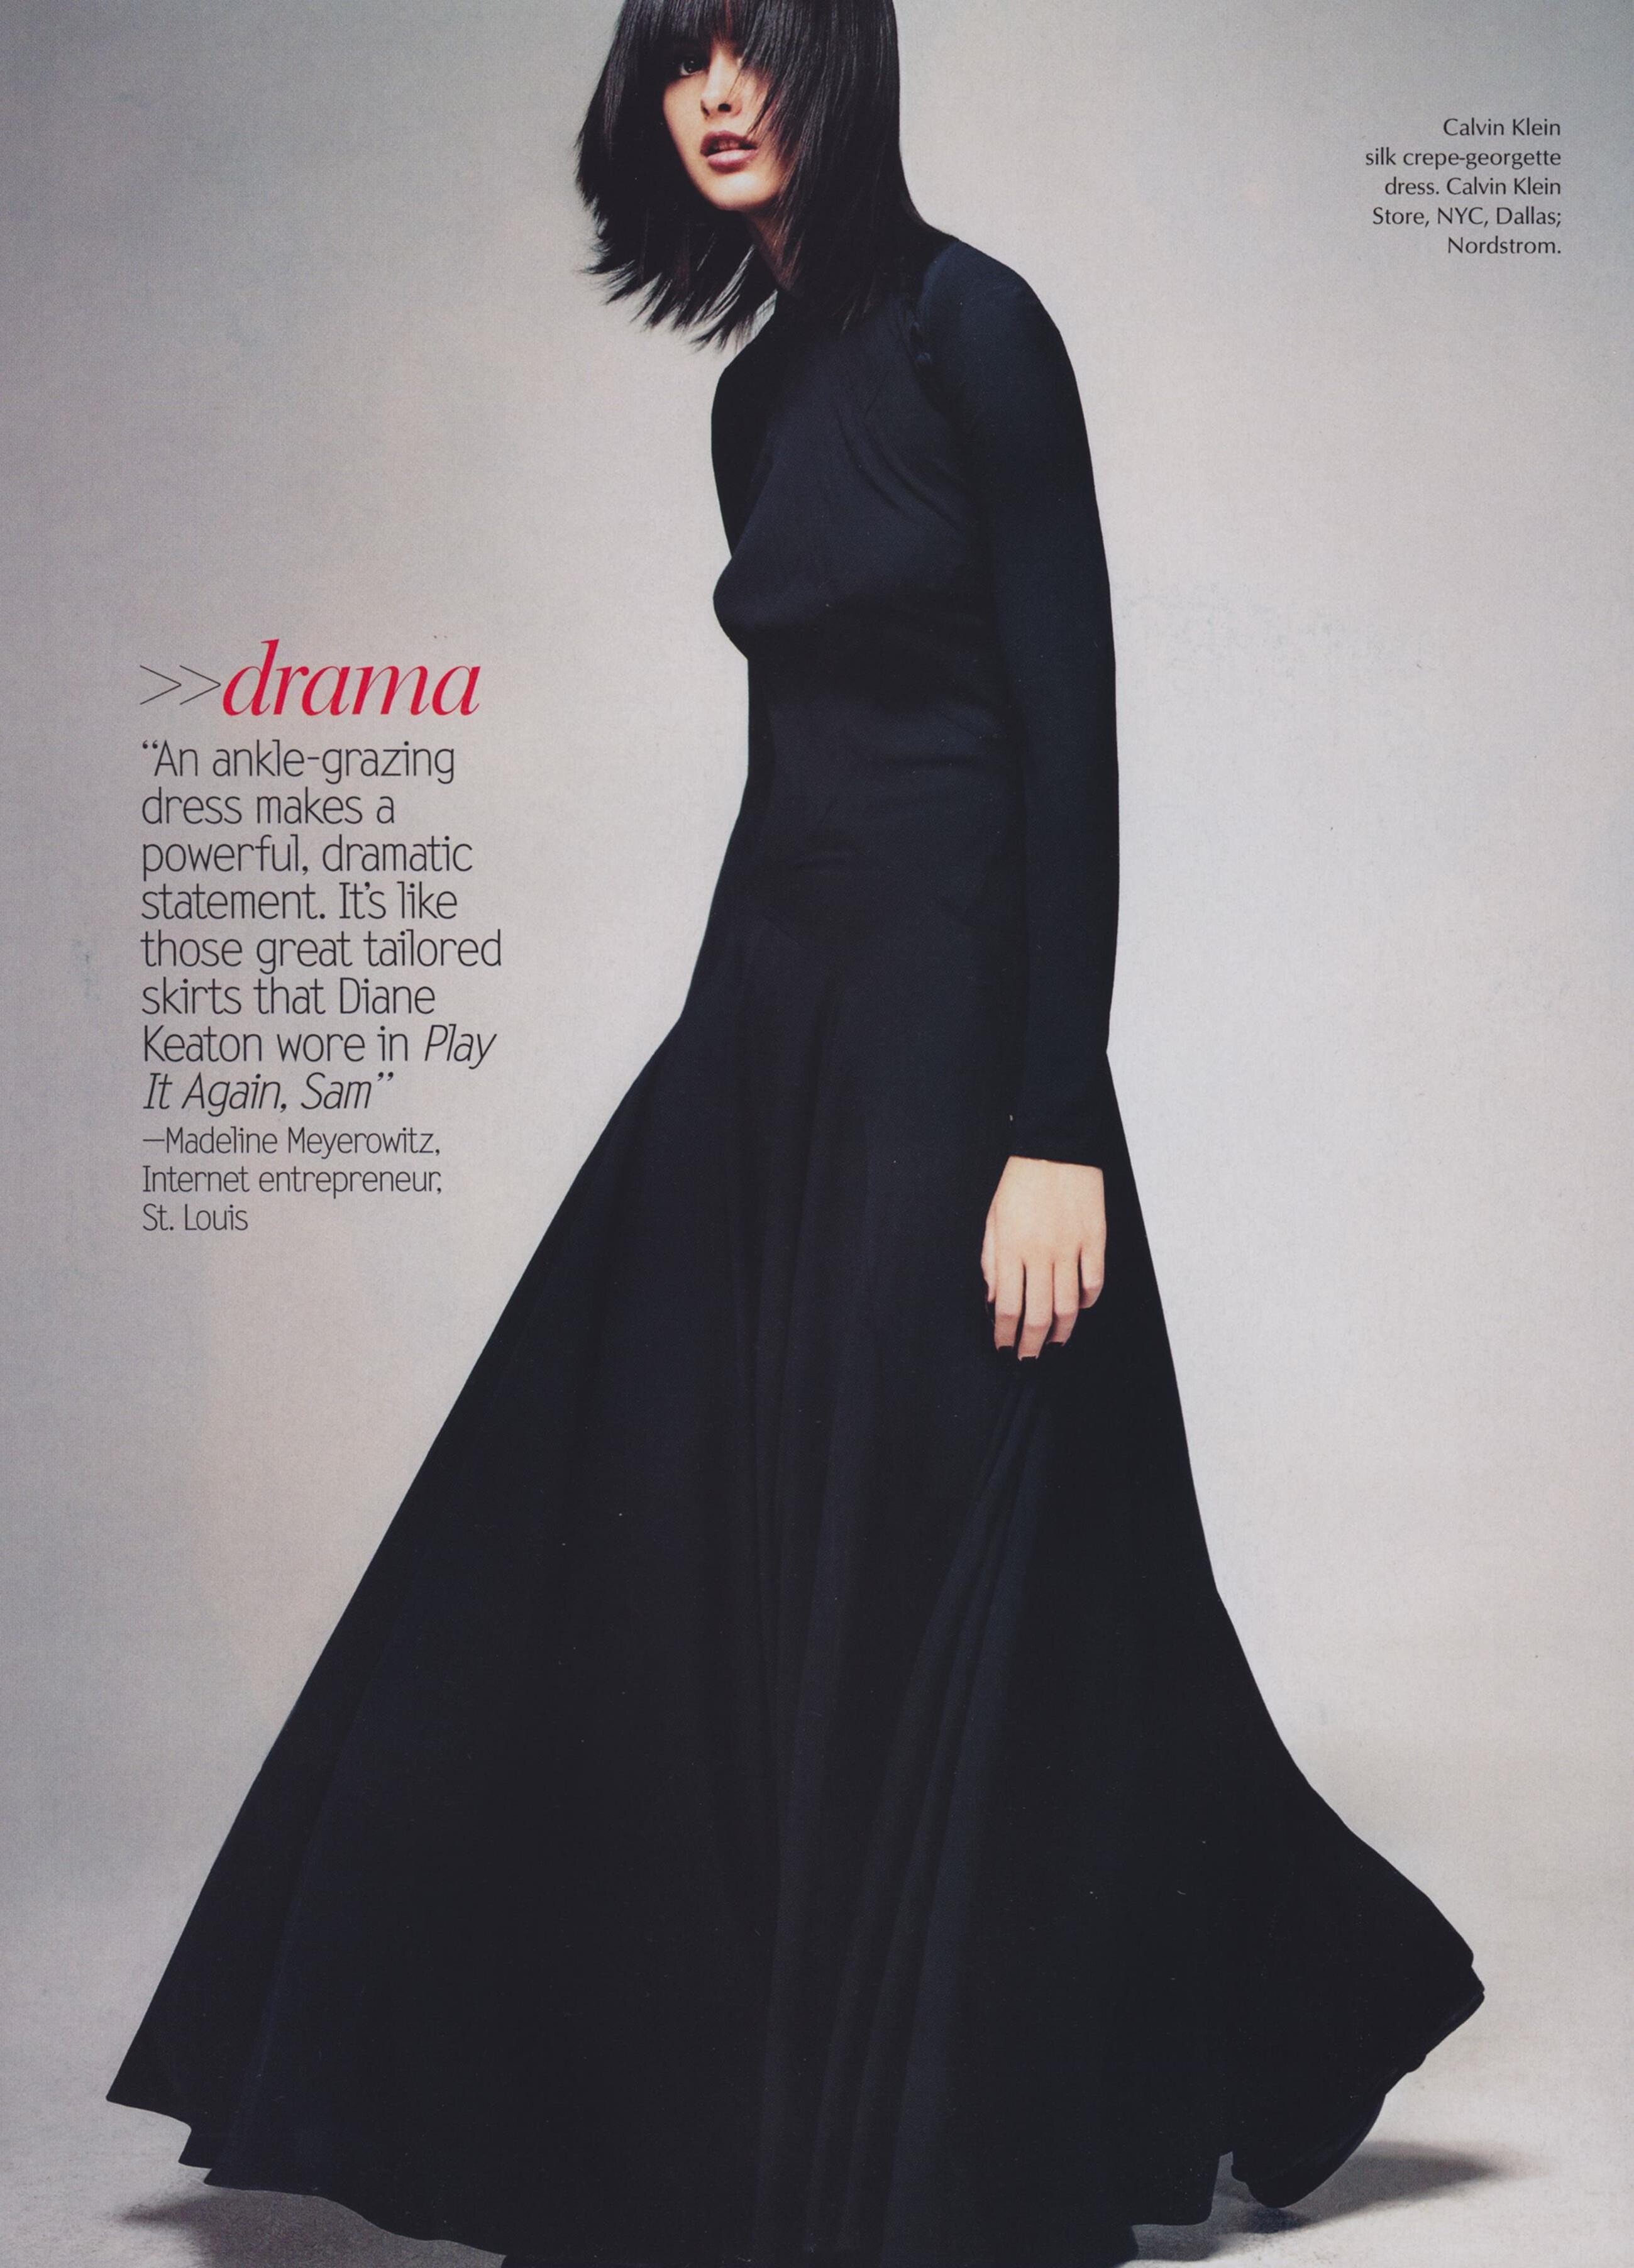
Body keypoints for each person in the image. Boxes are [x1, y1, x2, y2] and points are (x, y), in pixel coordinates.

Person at [108, 6, 1483, 2264]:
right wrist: (716, 1069)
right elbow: (791, 776)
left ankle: (1000, 2114)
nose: (724, 92)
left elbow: (1071, 737)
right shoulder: (752, 405)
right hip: (771, 1031)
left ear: (849, 66)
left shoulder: (978, 333)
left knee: (954, 1566)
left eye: (763, 42)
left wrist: (1057, 1121)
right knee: (610, 1523)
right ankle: (662, 2116)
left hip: (962, 1059)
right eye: (683, 56)